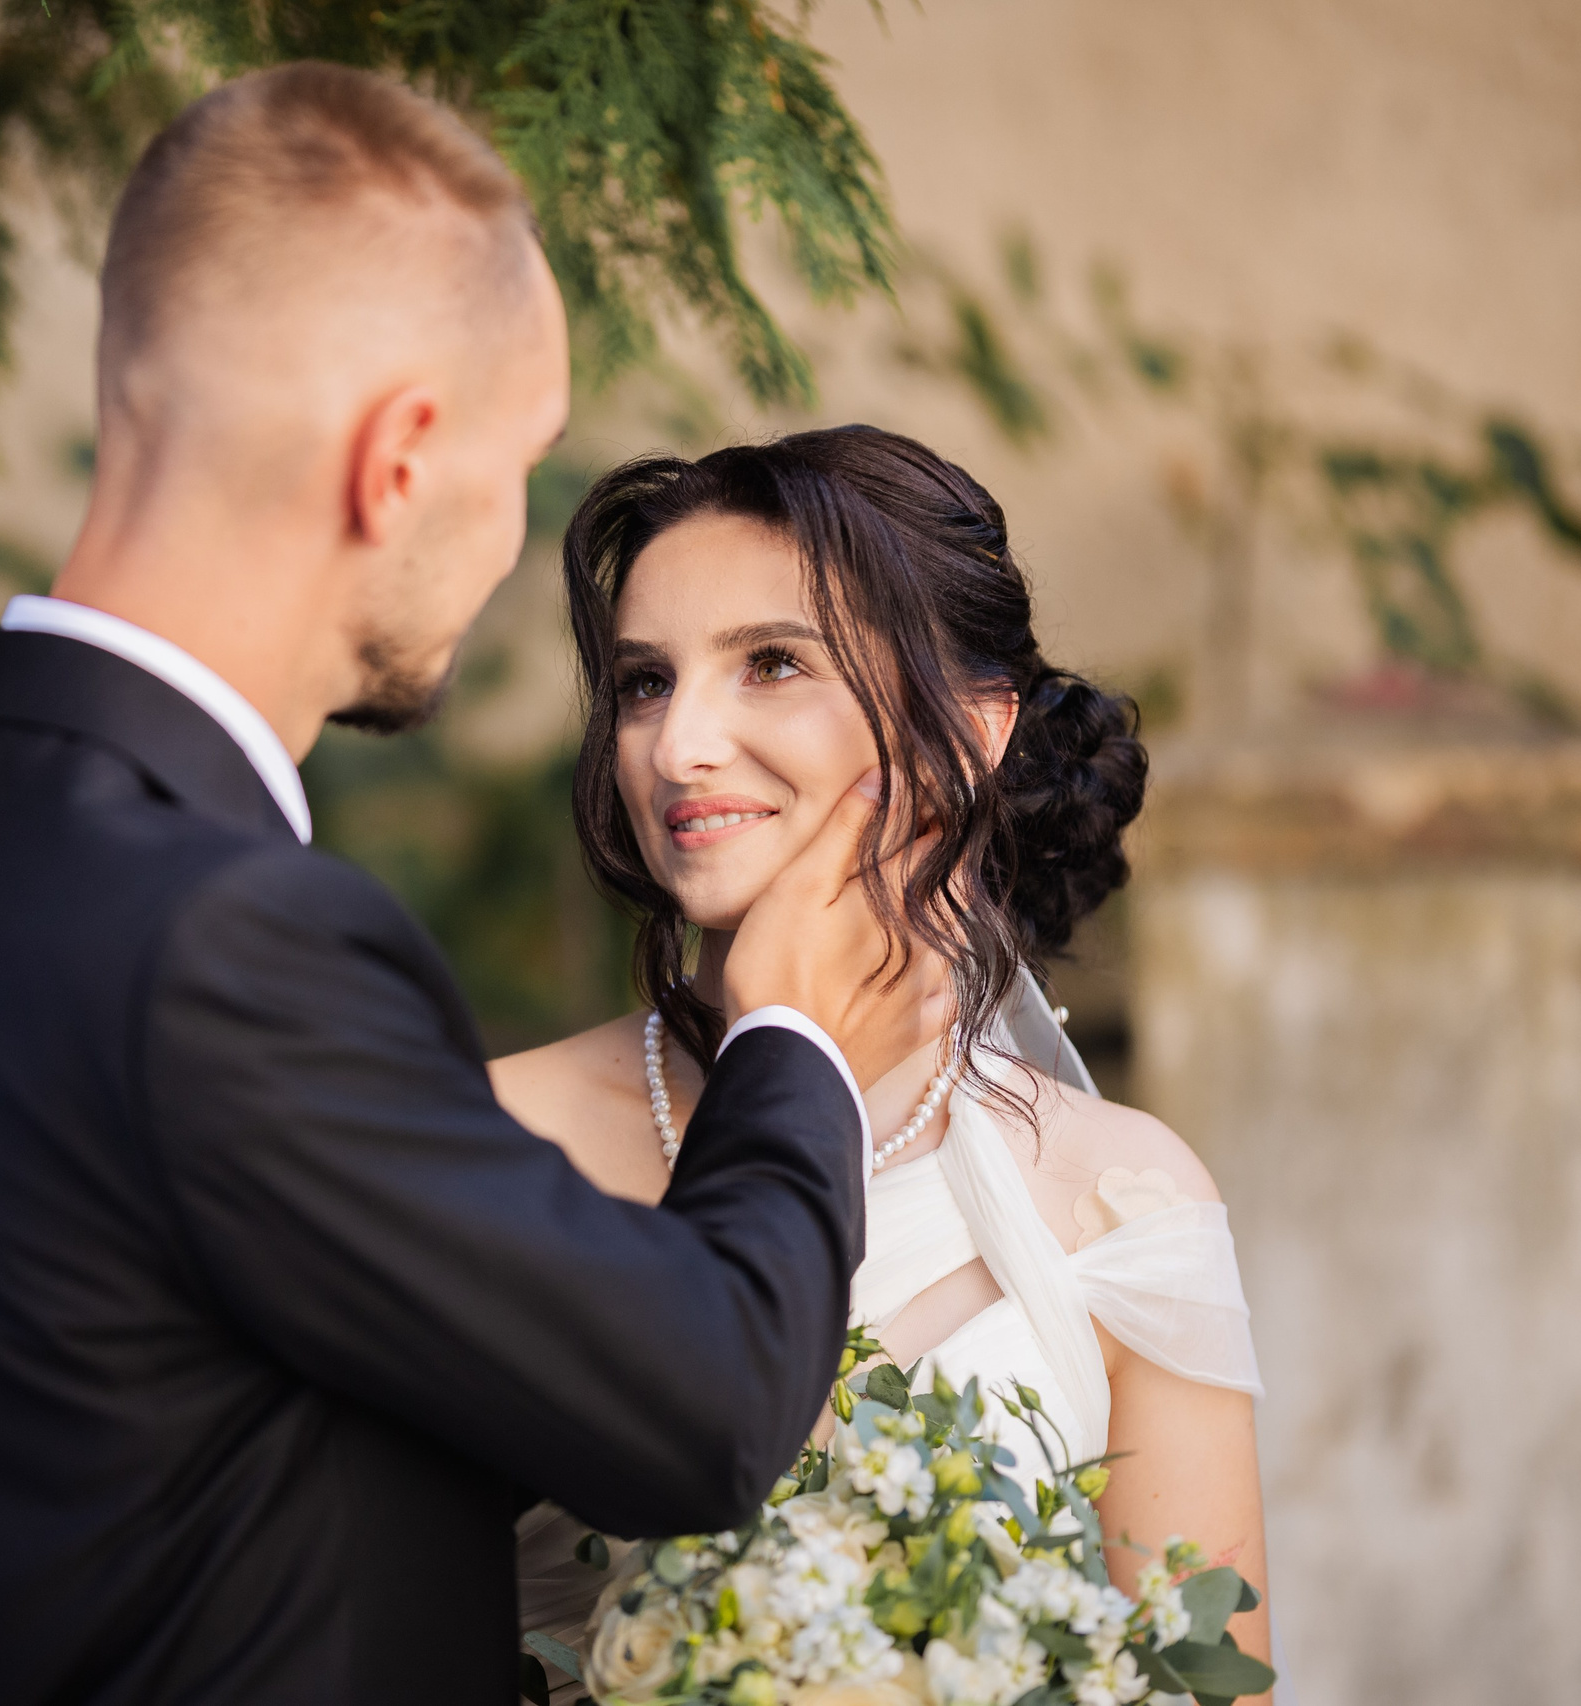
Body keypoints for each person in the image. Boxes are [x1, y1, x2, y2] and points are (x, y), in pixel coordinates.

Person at [0, 68, 935, 1706]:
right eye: (518, 468)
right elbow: (706, 1402)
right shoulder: (228, 941)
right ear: (401, 459)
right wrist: (792, 1026)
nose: (509, 547)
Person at [493, 428, 1273, 1693]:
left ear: (968, 728)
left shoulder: (1124, 1201)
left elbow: (1204, 1679)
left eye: (770, 663)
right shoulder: (497, 1135)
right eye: (643, 681)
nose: (677, 745)